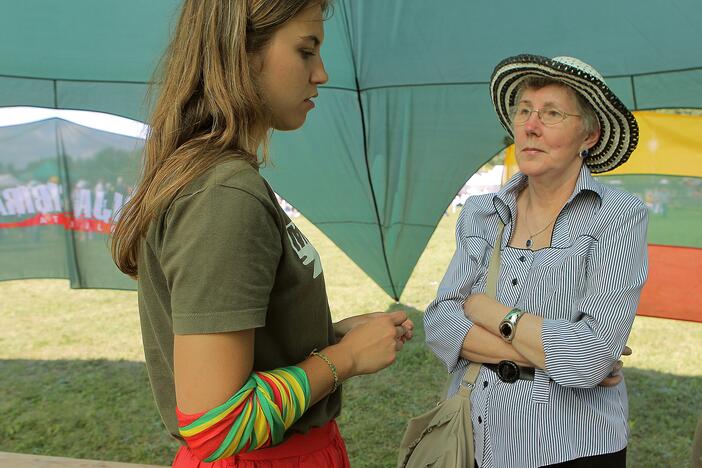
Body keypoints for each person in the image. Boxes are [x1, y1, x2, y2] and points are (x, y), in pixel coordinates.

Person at [110, 1, 414, 466]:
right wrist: (345, 359)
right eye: (306, 51)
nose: (322, 74)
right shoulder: (225, 194)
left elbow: (239, 352)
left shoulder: (221, 179)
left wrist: (326, 336)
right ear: (244, 53)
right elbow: (218, 424)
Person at [424, 54, 647, 468]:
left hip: (571, 448)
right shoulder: (481, 211)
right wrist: (567, 356)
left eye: (552, 113)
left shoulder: (618, 216)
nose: (529, 125)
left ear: (590, 135)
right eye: (524, 110)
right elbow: (439, 323)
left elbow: (591, 355)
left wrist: (492, 312)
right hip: (475, 435)